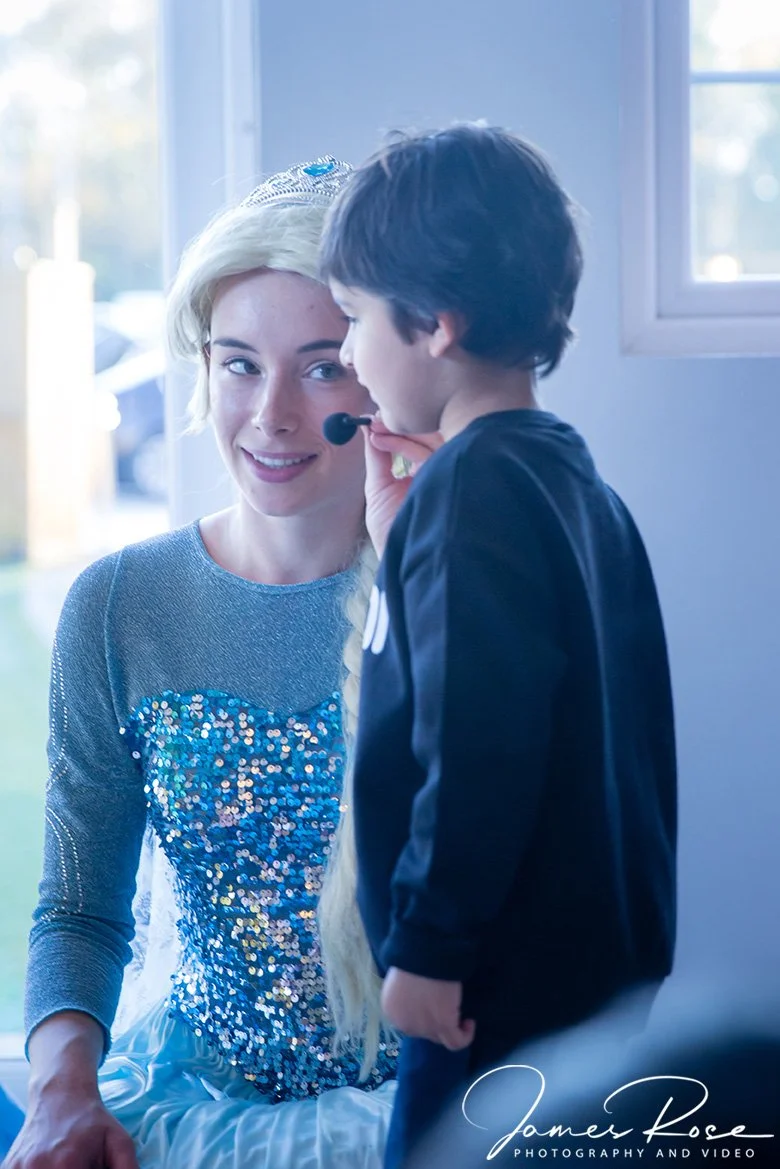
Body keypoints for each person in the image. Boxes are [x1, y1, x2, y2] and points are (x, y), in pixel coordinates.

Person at [5, 157, 436, 1169]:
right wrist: (62, 1088)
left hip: (425, 1110)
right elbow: (78, 903)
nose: (272, 414)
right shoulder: (119, 603)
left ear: (385, 369)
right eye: (239, 362)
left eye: (323, 363)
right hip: (188, 1100)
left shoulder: (458, 592)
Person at [320, 123, 678, 1167]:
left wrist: (430, 949)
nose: (346, 354)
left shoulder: (472, 494)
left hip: (483, 987)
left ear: (435, 322)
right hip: (589, 971)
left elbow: (479, 743)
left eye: (351, 320)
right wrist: (402, 548)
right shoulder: (569, 483)